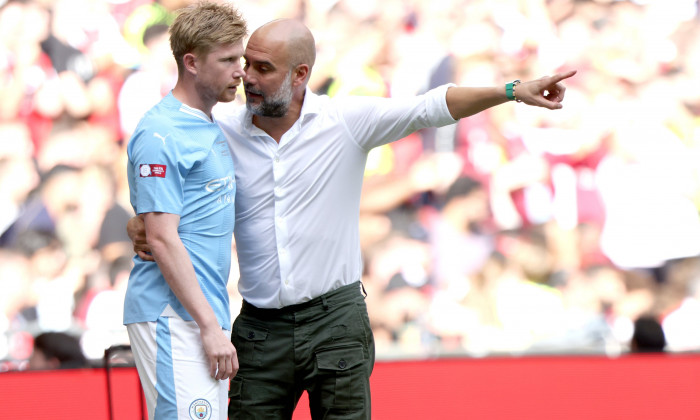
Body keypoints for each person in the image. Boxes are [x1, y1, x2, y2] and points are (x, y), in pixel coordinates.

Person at [129, 18, 575, 419]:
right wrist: (143, 222)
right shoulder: (221, 125)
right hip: (259, 327)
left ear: (300, 74)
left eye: (263, 68)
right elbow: (170, 177)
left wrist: (512, 91)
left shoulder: (345, 120)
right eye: (246, 64)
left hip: (335, 321)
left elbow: (430, 107)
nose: (247, 76)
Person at [123, 2, 246, 420]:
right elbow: (159, 236)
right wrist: (208, 326)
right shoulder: (161, 133)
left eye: (241, 59)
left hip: (198, 311)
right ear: (190, 62)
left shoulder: (210, 122)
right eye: (228, 60)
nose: (240, 71)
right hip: (171, 313)